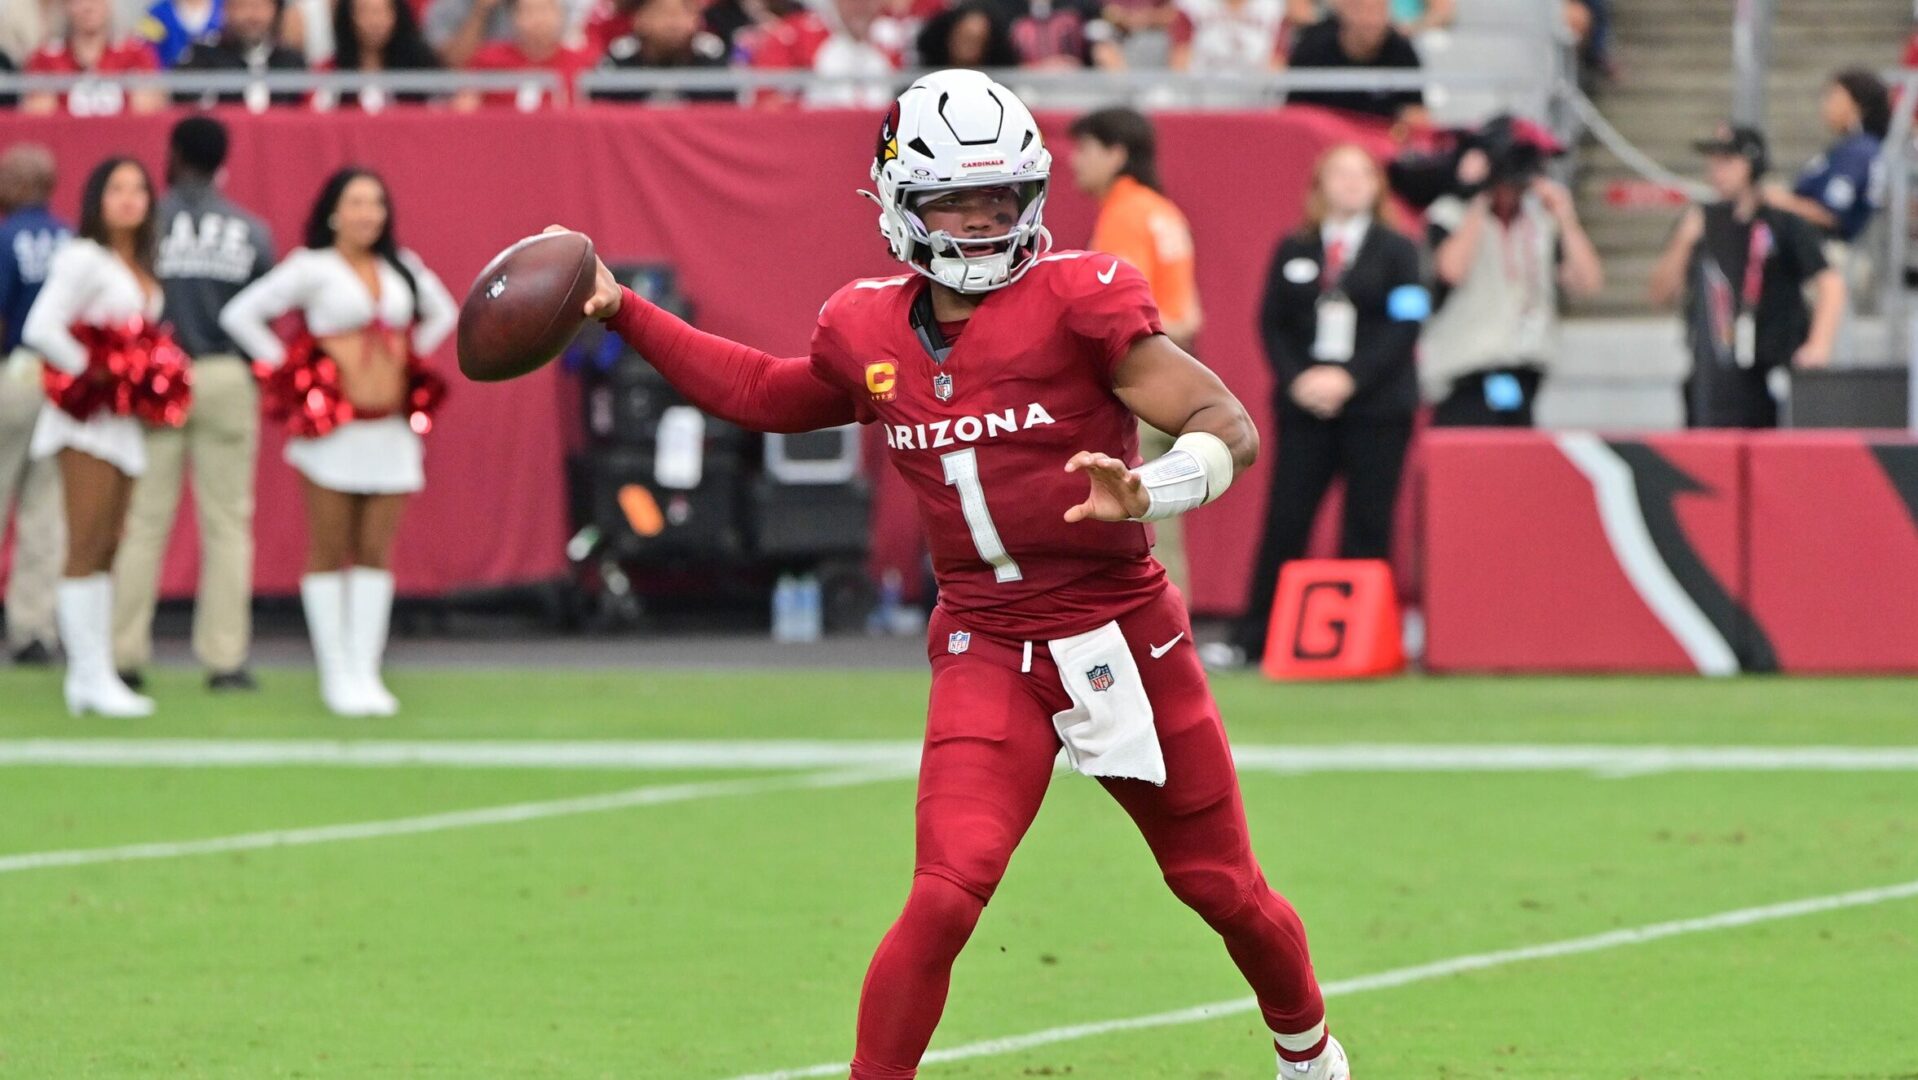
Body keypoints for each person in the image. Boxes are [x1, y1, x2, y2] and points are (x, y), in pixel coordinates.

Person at [555, 69, 1350, 1080]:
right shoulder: (866, 327)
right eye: (954, 201)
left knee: (1218, 886)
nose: (980, 222)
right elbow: (762, 391)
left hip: (1121, 629)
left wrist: (1149, 489)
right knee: (944, 891)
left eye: (999, 198)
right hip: (987, 641)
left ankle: (1309, 1056)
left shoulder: (1081, 297)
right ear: (899, 203)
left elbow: (1225, 424)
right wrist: (623, 309)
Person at [220, 168, 455, 717]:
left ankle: (366, 671)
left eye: (376, 203)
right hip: (332, 431)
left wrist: (410, 358)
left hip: (391, 428)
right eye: (356, 202)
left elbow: (445, 311)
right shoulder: (312, 267)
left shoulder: (402, 266)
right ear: (333, 211)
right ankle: (335, 673)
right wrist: (293, 372)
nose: (367, 214)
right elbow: (241, 315)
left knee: (376, 550)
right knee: (329, 547)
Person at [1213, 144, 1424, 670]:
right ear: (1320, 185)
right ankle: (1255, 638)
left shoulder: (1400, 250)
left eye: (1362, 174)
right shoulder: (1295, 248)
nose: (1351, 184)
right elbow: (1272, 323)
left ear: (1377, 186)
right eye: (1340, 174)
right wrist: (1300, 379)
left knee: (1368, 523)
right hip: (1305, 408)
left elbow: (1406, 324)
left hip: (1377, 407)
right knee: (1286, 520)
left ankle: (1361, 641)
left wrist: (1350, 378)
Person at [22, 157, 191, 717]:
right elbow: (41, 327)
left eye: (139, 189)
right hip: (85, 422)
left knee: (109, 546)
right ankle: (85, 676)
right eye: (116, 188)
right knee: (86, 542)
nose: (129, 198)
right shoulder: (82, 257)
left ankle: (98, 673)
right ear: (96, 198)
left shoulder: (138, 263)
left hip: (122, 423)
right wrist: (93, 376)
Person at [113, 118, 275, 695]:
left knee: (143, 521)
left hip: (158, 373)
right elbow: (265, 306)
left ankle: (123, 655)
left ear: (175, 155)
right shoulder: (250, 230)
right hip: (225, 372)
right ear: (223, 160)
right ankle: (225, 660)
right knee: (228, 524)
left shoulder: (145, 223)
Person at [1070, 107, 1202, 603]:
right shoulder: (1163, 210)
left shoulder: (1124, 213)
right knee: (1164, 514)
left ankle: (1154, 628)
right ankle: (1175, 625)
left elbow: (1118, 311)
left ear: (1116, 153)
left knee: (1135, 520)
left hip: (1137, 379)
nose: (1075, 160)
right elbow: (1189, 313)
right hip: (1176, 370)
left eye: (1085, 148)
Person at [1648, 125, 1844, 429]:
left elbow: (1830, 283)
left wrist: (1819, 344)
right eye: (1713, 162)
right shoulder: (1700, 221)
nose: (1716, 171)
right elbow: (1659, 293)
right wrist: (1683, 241)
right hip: (1712, 376)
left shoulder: (1780, 220)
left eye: (1727, 161)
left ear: (1752, 164)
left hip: (1770, 367)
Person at [1421, 116, 1603, 426]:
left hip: (1524, 364)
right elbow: (1451, 271)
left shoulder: (1541, 221)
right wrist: (1480, 194)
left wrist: (1566, 218)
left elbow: (1588, 283)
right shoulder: (1451, 213)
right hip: (1464, 371)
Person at [0, 146, 71, 669]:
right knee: (45, 511)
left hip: (15, 372)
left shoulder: (6, 237)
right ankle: (33, 630)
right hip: (61, 381)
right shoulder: (72, 240)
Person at [1285, 0, 1423, 127]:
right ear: (1345, 11)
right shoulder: (1312, 46)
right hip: (1321, 138)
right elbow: (1293, 113)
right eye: (1362, 9)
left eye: (1379, 10)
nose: (1371, 20)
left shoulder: (1402, 51)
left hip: (1380, 139)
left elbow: (1416, 112)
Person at [747, 0, 903, 109]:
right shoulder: (796, 37)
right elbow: (766, 104)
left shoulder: (892, 41)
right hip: (815, 138)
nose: (862, 6)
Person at [23, 0, 166, 115]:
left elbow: (146, 112)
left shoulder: (136, 54)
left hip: (125, 139)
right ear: (65, 6)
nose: (88, 7)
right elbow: (40, 117)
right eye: (78, 1)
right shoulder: (45, 58)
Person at [454, 0, 594, 108]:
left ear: (560, 15)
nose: (538, 20)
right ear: (514, 17)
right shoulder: (487, 60)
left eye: (545, 10)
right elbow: (464, 106)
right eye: (529, 11)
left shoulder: (581, 63)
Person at [173, 0, 307, 107]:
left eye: (258, 6)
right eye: (241, 6)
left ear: (275, 10)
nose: (251, 16)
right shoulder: (202, 56)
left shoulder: (292, 62)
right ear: (225, 10)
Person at [596, 0, 731, 103]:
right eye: (662, 13)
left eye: (684, 12)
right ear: (639, 19)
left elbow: (728, 106)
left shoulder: (710, 52)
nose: (674, 24)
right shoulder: (622, 54)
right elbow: (600, 104)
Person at [322, 0, 440, 110]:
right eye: (365, 12)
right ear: (349, 16)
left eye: (382, 11)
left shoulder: (420, 69)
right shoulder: (330, 71)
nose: (375, 22)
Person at [1168, 0, 1288, 77]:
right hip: (1200, 94)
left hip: (1254, 96)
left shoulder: (1273, 8)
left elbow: (1276, 68)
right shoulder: (1191, 5)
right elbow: (1180, 65)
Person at [914, 2, 1019, 69]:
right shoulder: (925, 83)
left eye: (977, 40)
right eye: (964, 38)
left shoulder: (1000, 89)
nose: (968, 47)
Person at [137, 0, 224, 66]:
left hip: (219, 80)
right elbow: (144, 52)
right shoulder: (157, 14)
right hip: (169, 81)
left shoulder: (225, 7)